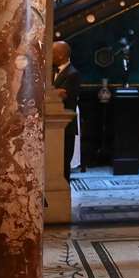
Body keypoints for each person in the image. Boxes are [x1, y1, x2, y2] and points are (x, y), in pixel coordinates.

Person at [51, 41, 81, 180]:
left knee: (63, 163)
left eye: (53, 52)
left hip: (65, 126)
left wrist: (53, 92)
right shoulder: (50, 71)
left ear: (61, 55)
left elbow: (64, 96)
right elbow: (57, 92)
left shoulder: (73, 74)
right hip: (52, 126)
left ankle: (63, 195)